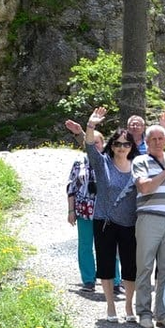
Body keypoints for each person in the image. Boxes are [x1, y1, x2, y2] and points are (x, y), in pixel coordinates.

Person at [83, 111, 140, 322]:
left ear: (132, 146)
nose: (122, 147)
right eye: (118, 144)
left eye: (126, 144)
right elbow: (89, 146)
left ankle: (128, 306)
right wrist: (90, 126)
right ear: (112, 145)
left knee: (130, 266)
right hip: (104, 221)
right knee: (106, 263)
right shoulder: (102, 163)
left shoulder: (138, 165)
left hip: (129, 223)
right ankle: (110, 306)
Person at [132, 123, 165, 328]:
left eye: (161, 138)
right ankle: (143, 311)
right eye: (153, 139)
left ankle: (161, 312)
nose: (158, 142)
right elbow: (144, 187)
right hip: (149, 218)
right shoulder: (140, 161)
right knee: (144, 266)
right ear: (146, 141)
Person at [63, 120, 102, 291]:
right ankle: (89, 279)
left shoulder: (109, 160)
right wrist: (71, 210)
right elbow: (71, 187)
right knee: (85, 245)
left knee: (108, 246)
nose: (95, 144)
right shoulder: (79, 162)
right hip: (84, 209)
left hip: (104, 211)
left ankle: (114, 281)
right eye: (92, 142)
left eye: (98, 141)